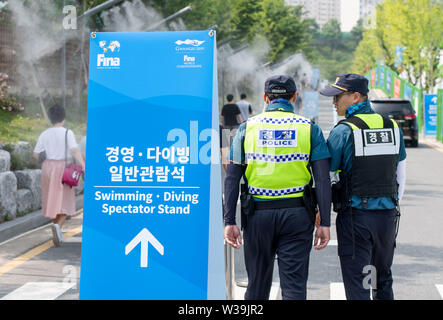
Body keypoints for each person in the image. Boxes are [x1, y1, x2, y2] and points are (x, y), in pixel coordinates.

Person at [224, 75, 332, 300]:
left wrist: (229, 221)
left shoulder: (246, 128)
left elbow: (232, 178)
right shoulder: (309, 129)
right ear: (295, 97)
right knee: (293, 287)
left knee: (256, 286)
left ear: (265, 97)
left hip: (257, 216)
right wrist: (326, 222)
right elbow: (322, 179)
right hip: (298, 215)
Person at [320, 73, 407, 300]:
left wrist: (322, 212)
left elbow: (326, 177)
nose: (334, 102)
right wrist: (391, 205)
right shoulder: (392, 127)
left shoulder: (343, 131)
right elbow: (401, 174)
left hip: (355, 217)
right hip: (387, 218)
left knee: (358, 283)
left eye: (338, 96)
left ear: (356, 96)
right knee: (381, 278)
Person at [33, 104, 85, 246]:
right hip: (63, 168)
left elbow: (36, 154)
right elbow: (74, 150)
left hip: (47, 168)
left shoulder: (44, 134)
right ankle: (58, 226)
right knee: (65, 201)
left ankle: (56, 228)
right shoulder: (68, 133)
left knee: (53, 199)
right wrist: (83, 166)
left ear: (50, 118)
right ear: (64, 117)